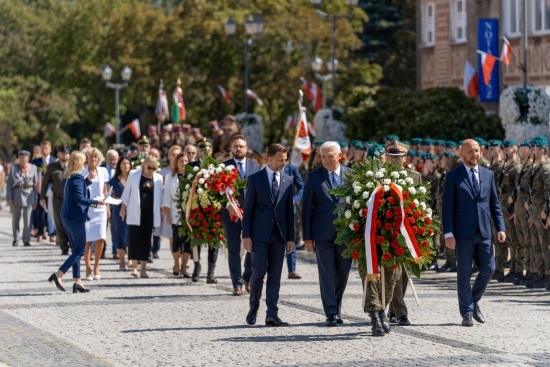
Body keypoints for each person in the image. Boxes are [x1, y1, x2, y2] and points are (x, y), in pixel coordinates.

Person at [442, 138, 506, 327]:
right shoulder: (453, 176)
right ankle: (467, 313)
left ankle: (473, 300)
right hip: (462, 233)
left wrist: (501, 227)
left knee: (488, 269)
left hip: (484, 231)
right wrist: (448, 233)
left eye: (477, 151)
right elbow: (447, 208)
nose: (474, 155)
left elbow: (494, 204)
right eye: (470, 152)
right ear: (462, 154)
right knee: (464, 273)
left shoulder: (488, 175)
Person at [243, 144, 295, 326]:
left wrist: (290, 238)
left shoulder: (288, 180)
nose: (284, 163)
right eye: (281, 160)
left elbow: (290, 213)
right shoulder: (255, 179)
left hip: (279, 236)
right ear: (269, 158)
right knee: (258, 272)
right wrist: (246, 235)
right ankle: (253, 308)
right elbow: (248, 210)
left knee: (275, 276)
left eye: (285, 159)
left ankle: (272, 313)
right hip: (259, 236)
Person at [302, 141, 352, 327]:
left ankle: (336, 306)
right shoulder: (314, 177)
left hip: (346, 234)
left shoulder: (351, 175)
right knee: (326, 273)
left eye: (330, 156)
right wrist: (307, 237)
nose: (327, 160)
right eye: (323, 156)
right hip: (323, 234)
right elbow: (306, 209)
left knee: (343, 272)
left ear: (340, 155)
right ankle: (330, 312)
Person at [48, 151, 104, 293]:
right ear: (80, 163)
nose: (86, 164)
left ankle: (78, 281)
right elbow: (79, 199)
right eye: (84, 161)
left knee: (76, 250)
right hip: (74, 218)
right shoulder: (77, 177)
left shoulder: (71, 177)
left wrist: (88, 181)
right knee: (81, 250)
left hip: (67, 217)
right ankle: (59, 274)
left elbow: (76, 191)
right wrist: (96, 202)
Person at [385, 140, 421, 328]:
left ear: (404, 158)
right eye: (391, 157)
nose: (394, 160)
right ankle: (401, 312)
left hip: (408, 231)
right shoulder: (380, 177)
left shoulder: (414, 177)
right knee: (393, 272)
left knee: (405, 275)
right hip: (388, 231)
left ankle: (392, 310)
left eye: (398, 157)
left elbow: (421, 204)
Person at [221, 135, 261, 295]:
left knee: (253, 248)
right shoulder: (223, 167)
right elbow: (216, 192)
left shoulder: (256, 167)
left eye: (241, 146)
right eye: (235, 146)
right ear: (231, 149)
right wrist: (226, 203)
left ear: (246, 148)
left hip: (250, 215)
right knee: (233, 249)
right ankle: (236, 283)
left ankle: (247, 276)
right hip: (230, 214)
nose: (238, 149)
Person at [120, 155, 163, 278]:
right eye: (149, 167)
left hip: (150, 215)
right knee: (133, 240)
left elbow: (160, 197)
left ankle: (143, 269)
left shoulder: (158, 178)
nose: (151, 170)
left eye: (154, 168)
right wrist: (123, 208)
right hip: (134, 213)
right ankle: (134, 268)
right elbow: (126, 192)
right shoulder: (134, 175)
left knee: (146, 241)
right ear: (143, 165)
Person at [188, 138, 220, 283]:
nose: (204, 152)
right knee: (196, 241)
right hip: (196, 209)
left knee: (214, 240)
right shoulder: (191, 167)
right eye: (201, 149)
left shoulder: (218, 167)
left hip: (213, 210)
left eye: (207, 149)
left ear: (211, 150)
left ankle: (210, 272)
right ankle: (196, 266)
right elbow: (185, 188)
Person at [82, 148, 110, 280]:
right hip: (87, 207)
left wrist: (107, 207)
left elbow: (104, 190)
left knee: (101, 237)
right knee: (87, 240)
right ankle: (87, 267)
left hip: (101, 208)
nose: (93, 159)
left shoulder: (103, 171)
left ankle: (96, 266)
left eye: (96, 157)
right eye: (91, 157)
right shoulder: (81, 171)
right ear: (87, 158)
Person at [162, 152, 191, 278]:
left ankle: (184, 267)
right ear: (176, 163)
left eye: (185, 161)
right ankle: (176, 264)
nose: (183, 163)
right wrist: (167, 214)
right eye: (181, 161)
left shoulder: (192, 177)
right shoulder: (170, 177)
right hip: (175, 214)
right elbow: (166, 197)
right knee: (177, 241)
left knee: (187, 242)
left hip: (189, 215)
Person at [40, 145, 71, 255]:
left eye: (66, 153)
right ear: (58, 154)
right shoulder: (52, 167)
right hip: (57, 199)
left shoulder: (73, 166)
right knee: (59, 223)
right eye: (62, 153)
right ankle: (64, 247)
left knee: (71, 223)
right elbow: (45, 183)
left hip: (71, 199)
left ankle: (73, 244)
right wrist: (42, 198)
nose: (64, 155)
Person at [7, 150, 39, 247]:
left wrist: (35, 199)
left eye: (24, 157)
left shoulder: (33, 168)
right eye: (20, 157)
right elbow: (9, 184)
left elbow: (35, 184)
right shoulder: (14, 168)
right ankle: (16, 239)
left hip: (29, 195)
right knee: (15, 219)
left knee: (27, 220)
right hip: (17, 194)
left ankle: (26, 240)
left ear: (28, 158)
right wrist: (9, 197)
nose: (22, 159)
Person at [108, 155, 131, 270]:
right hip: (117, 210)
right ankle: (122, 261)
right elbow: (108, 196)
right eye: (123, 164)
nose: (126, 166)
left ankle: (131, 259)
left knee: (131, 234)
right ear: (119, 166)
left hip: (132, 209)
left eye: (128, 163)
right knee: (119, 234)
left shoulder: (134, 178)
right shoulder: (114, 180)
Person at [283, 161, 304, 280]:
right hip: (272, 211)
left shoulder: (292, 169)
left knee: (290, 239)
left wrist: (295, 199)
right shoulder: (269, 168)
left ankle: (292, 270)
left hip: (290, 209)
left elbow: (301, 186)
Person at [31, 140, 55, 243]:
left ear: (50, 149)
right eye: (42, 148)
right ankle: (40, 233)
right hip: (39, 190)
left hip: (51, 190)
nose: (44, 150)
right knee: (39, 213)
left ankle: (52, 233)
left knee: (52, 213)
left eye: (46, 148)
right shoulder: (35, 162)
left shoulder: (54, 161)